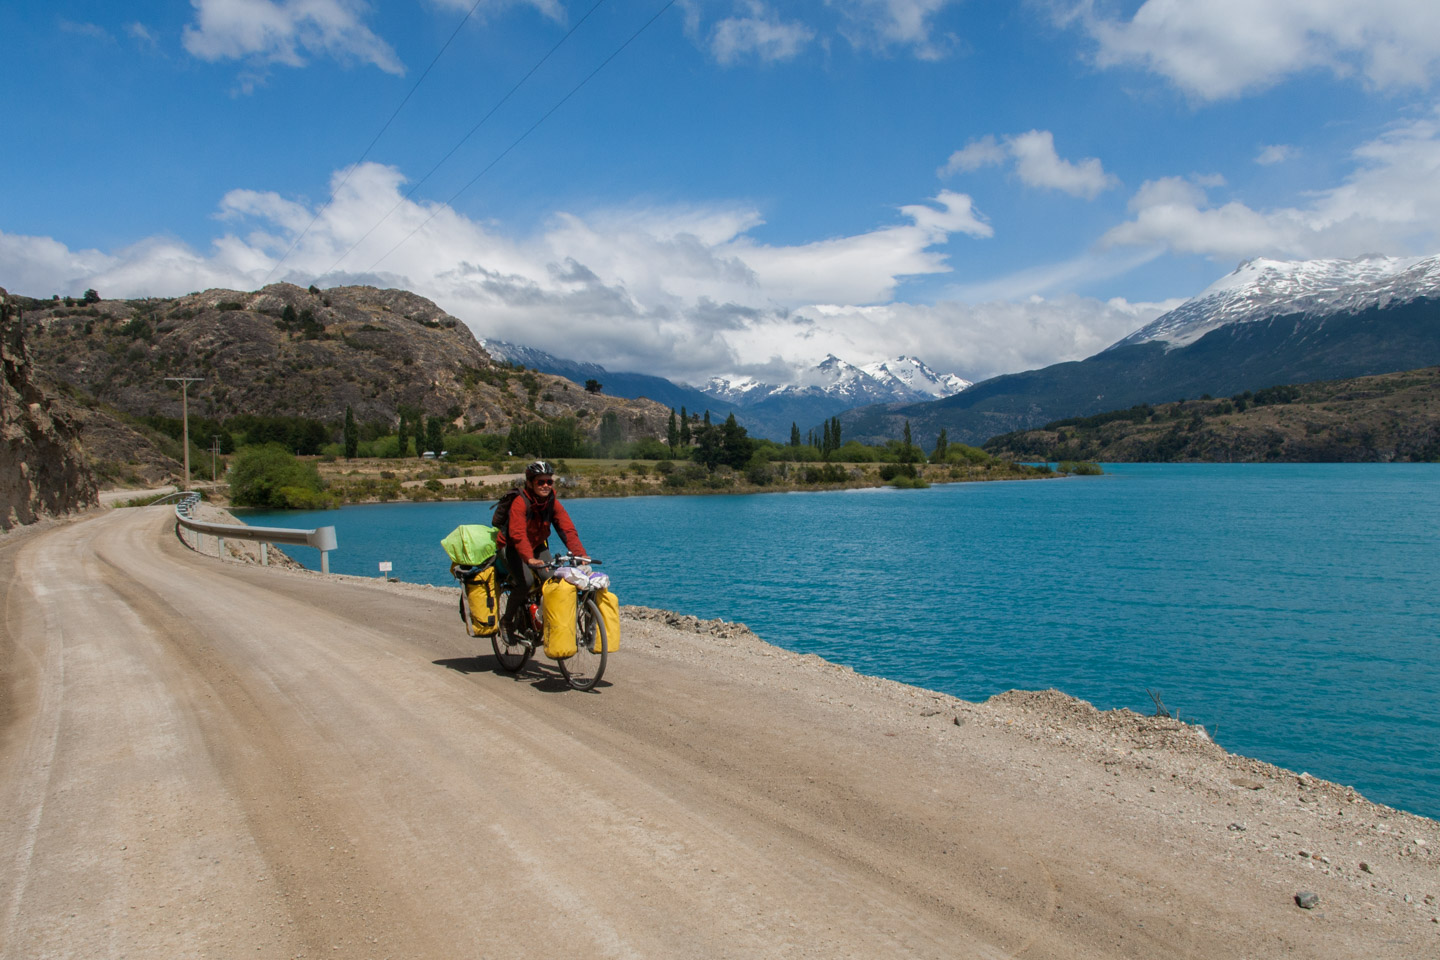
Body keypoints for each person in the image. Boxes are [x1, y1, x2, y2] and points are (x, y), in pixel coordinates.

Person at [496, 460, 587, 632]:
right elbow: (517, 534)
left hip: (537, 545)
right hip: (512, 547)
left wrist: (580, 554)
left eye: (549, 482)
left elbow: (566, 528)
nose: (545, 485)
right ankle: (507, 622)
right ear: (530, 483)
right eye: (540, 482)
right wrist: (528, 558)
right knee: (526, 582)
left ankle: (540, 617)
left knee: (552, 580)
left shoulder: (552, 501)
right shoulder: (520, 502)